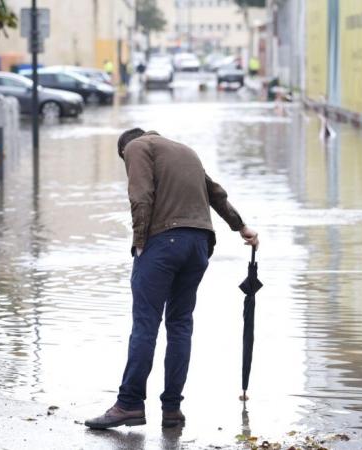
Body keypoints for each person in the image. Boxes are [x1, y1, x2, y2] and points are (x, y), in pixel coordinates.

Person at [85, 129, 259, 430]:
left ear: (124, 150)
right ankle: (172, 409)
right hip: (199, 244)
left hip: (165, 243)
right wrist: (241, 226)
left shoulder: (136, 147)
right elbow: (215, 193)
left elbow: (140, 196)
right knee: (179, 324)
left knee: (146, 323)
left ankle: (129, 405)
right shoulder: (184, 150)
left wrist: (140, 243)